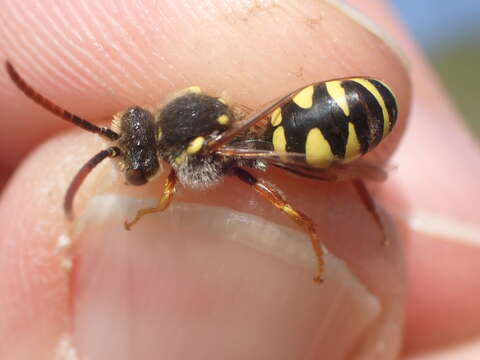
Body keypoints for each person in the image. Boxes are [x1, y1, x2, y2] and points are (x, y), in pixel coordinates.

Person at [0, 0, 478, 358]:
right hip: (318, 101)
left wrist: (308, 229)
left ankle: (310, 229)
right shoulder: (188, 108)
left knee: (277, 172)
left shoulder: (204, 153)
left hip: (334, 117)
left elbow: (193, 189)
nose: (134, 167)